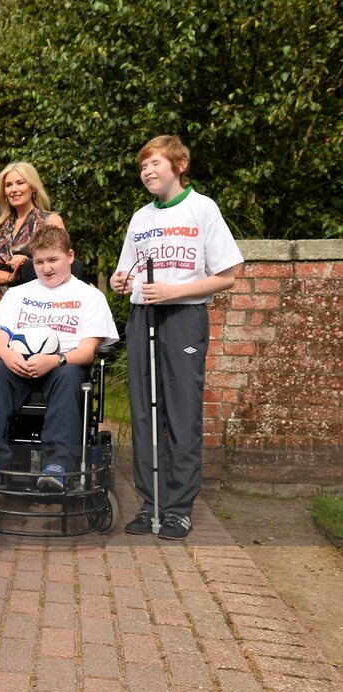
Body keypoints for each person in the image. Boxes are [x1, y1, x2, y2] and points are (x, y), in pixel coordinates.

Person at [112, 135, 242, 540]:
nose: (147, 172)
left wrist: (173, 291)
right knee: (144, 412)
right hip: (142, 317)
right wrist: (121, 281)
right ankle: (149, 504)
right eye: (142, 166)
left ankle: (178, 508)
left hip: (183, 316)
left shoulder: (202, 208)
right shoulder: (139, 218)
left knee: (182, 413)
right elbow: (127, 272)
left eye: (155, 164)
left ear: (179, 165)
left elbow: (227, 274)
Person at [0, 225, 118, 489]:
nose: (46, 268)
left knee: (71, 374)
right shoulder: (18, 294)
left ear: (70, 256)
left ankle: (58, 464)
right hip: (18, 365)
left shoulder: (90, 296)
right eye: (39, 262)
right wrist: (6, 354)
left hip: (62, 366)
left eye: (53, 260)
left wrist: (57, 359)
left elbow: (87, 351)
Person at [0, 161, 85, 295]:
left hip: (39, 304)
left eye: (20, 183)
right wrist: (11, 277)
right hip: (3, 305)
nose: (14, 189)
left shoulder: (50, 221)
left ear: (33, 187)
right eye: (8, 185)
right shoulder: (0, 227)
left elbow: (66, 265)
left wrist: (26, 265)